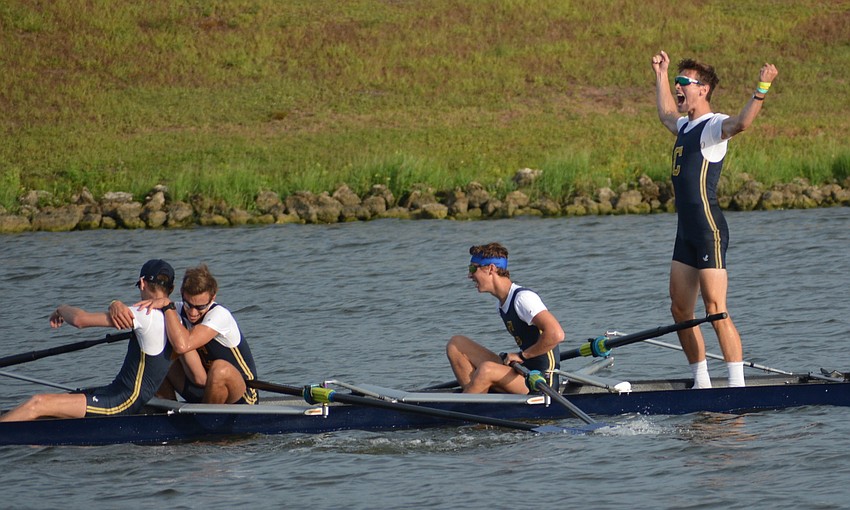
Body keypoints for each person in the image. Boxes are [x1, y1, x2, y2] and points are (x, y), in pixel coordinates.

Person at [651, 51, 778, 388]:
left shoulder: (712, 126)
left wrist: (761, 87)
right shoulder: (683, 125)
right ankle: (702, 382)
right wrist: (661, 74)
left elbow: (742, 123)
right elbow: (665, 114)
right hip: (685, 234)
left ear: (702, 90)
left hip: (709, 230)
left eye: (683, 83)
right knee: (680, 310)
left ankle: (737, 386)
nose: (678, 89)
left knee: (715, 310)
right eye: (676, 83)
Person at [0, 259, 177, 422]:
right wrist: (115, 303)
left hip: (121, 402)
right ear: (171, 288)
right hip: (115, 392)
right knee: (57, 404)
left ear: (143, 283)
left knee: (38, 402)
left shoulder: (144, 313)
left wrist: (62, 309)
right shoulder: (177, 313)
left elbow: (80, 320)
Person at [111, 263, 258, 404]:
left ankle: (205, 422)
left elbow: (184, 344)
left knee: (220, 369)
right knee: (159, 358)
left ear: (213, 298)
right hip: (203, 388)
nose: (193, 313)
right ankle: (166, 414)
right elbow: (142, 315)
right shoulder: (175, 310)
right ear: (182, 294)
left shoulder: (220, 315)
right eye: (188, 304)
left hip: (241, 394)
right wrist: (116, 304)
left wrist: (167, 305)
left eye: (200, 307)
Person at [446, 242, 565, 394]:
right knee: (456, 344)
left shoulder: (523, 298)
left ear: (491, 269)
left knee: (486, 369)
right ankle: (475, 398)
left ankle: (465, 407)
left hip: (541, 381)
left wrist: (522, 355)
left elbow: (556, 334)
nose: (469, 275)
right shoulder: (501, 303)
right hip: (522, 371)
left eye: (472, 268)